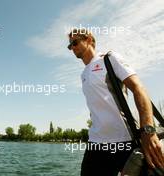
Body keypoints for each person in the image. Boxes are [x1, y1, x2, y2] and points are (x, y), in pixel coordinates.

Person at [67, 28, 164, 175]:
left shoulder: (109, 59)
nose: (72, 48)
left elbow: (139, 88)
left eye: (74, 43)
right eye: (70, 46)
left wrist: (148, 130)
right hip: (96, 144)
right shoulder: (84, 74)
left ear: (89, 40)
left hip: (123, 141)